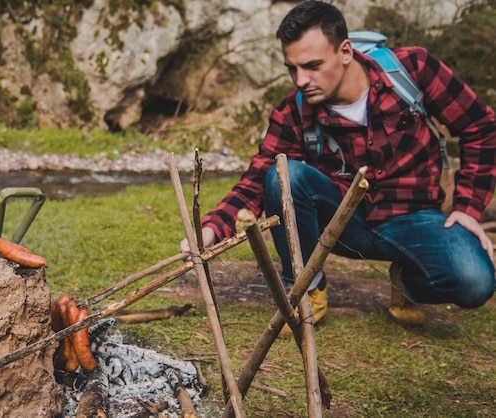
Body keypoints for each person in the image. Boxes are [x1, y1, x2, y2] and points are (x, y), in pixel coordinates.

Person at [179, 0, 496, 333]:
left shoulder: (412, 70)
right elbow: (257, 181)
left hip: (416, 218)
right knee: (283, 175)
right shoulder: (294, 112)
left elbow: (481, 128)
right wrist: (213, 228)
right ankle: (307, 288)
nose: (301, 80)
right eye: (292, 68)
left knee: (475, 283)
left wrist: (467, 209)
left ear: (345, 52)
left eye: (313, 65)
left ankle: (408, 283)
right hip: (344, 225)